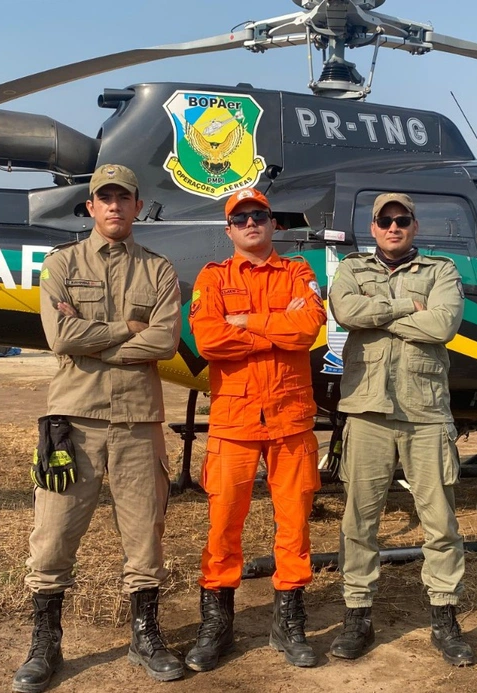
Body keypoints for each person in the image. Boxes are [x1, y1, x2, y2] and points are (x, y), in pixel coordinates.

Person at [13, 164, 184, 692]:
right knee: (53, 536)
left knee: (145, 539)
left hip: (137, 423)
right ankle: (45, 644)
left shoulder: (159, 271)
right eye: (103, 198)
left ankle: (145, 635)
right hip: (74, 424)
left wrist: (99, 342)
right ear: (90, 206)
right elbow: (60, 336)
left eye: (123, 198)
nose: (113, 206)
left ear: (137, 206)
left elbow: (165, 342)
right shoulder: (61, 264)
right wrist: (126, 330)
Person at [327, 192, 474, 666]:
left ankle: (445, 616)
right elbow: (346, 313)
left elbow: (444, 324)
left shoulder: (442, 271)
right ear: (373, 228)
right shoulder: (351, 269)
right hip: (367, 411)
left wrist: (381, 311)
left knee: (440, 522)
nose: (393, 227)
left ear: (414, 226)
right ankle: (357, 614)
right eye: (385, 221)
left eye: (402, 220)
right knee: (359, 521)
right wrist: (408, 307)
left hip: (425, 414)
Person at [186, 188, 326, 671]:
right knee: (224, 526)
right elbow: (208, 339)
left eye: (259, 215)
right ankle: (217, 623)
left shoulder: (298, 272)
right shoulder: (213, 276)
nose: (250, 223)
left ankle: (288, 621)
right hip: (235, 421)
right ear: (229, 230)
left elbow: (307, 329)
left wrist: (244, 321)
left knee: (295, 525)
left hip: (290, 419)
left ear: (273, 225)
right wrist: (273, 325)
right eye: (240, 217)